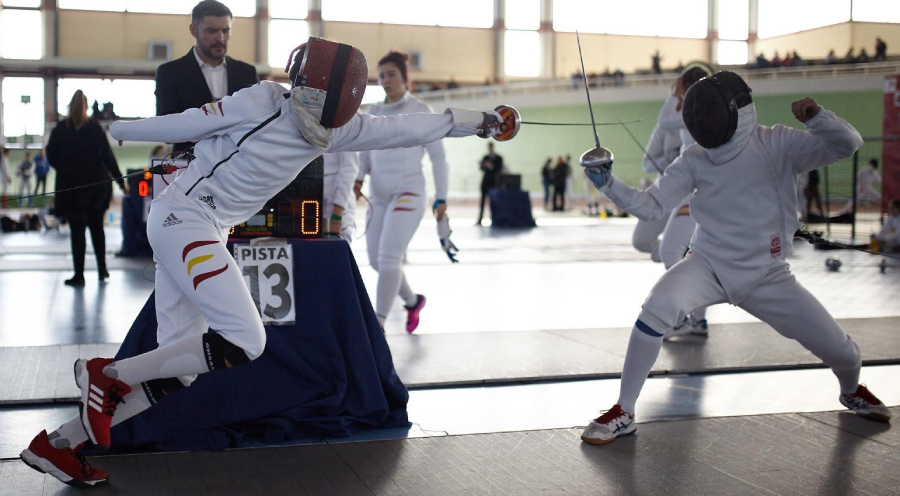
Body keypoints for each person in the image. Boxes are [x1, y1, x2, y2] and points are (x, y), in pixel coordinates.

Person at [20, 37, 513, 488]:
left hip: (201, 226)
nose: (325, 120)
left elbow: (408, 128)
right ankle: (110, 374)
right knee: (246, 340)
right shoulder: (262, 99)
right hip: (183, 219)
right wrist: (125, 129)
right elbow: (195, 120)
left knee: (180, 372)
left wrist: (482, 122)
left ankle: (59, 445)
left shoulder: (336, 131)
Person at [580, 71, 890, 446]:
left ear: (736, 111)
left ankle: (851, 389)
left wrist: (817, 117)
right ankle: (624, 410)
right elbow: (652, 206)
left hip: (767, 274)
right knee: (657, 307)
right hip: (708, 263)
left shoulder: (778, 143)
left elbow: (847, 143)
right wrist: (609, 184)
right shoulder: (695, 157)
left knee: (843, 351)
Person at [352, 50, 452, 332]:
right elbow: (364, 151)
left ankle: (378, 323)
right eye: (382, 76)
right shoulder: (374, 112)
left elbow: (438, 157)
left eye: (391, 74)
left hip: (409, 192)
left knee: (388, 258)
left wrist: (442, 197)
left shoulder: (421, 110)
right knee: (376, 261)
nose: (386, 80)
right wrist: (358, 179)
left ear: (405, 77)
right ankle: (412, 301)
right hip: (379, 195)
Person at [154, 0, 259, 153]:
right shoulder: (170, 73)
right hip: (191, 166)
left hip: (239, 165)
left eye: (225, 31)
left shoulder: (246, 72)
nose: (220, 38)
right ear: (194, 30)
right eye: (212, 31)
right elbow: (166, 130)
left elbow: (257, 122)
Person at [46, 91, 127, 287]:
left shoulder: (60, 129)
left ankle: (79, 275)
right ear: (86, 106)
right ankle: (102, 270)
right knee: (97, 228)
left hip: (71, 189)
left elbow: (51, 156)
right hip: (96, 189)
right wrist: (120, 181)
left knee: (77, 231)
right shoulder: (95, 129)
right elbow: (108, 158)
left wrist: (66, 169)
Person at [323, 151, 358, 242]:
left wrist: (337, 217)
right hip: (314, 208)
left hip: (337, 210)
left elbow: (349, 169)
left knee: (336, 254)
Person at [476, 142, 503, 225]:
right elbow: (482, 168)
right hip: (485, 182)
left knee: (493, 202)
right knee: (482, 202)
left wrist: (491, 166)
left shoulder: (499, 158)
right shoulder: (485, 157)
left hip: (493, 182)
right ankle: (480, 219)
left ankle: (493, 219)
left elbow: (499, 169)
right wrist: (484, 165)